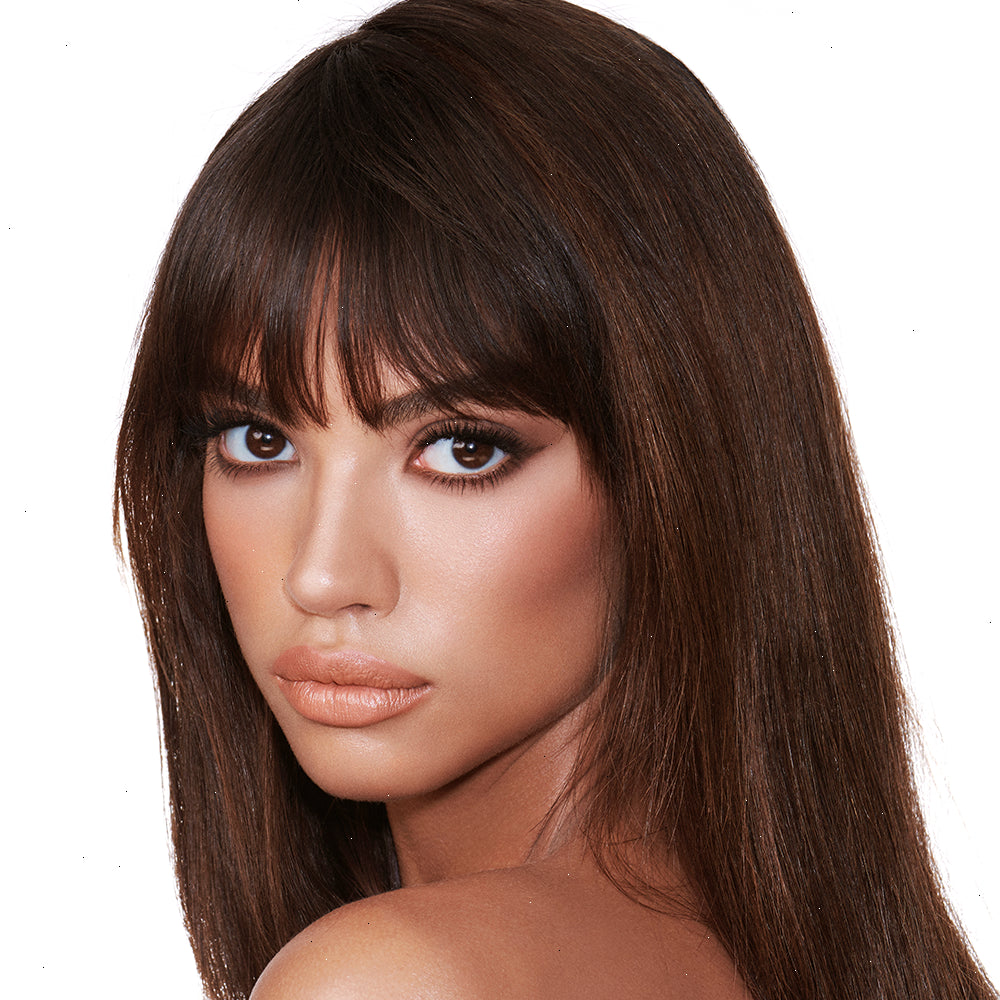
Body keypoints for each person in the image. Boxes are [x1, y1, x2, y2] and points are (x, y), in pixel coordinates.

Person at [114, 1, 997, 997]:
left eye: (462, 449)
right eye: (258, 440)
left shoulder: (393, 980)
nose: (321, 575)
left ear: (673, 469)